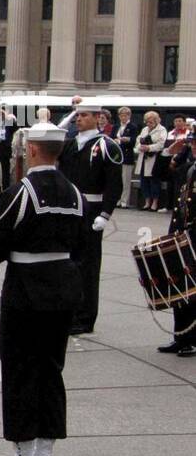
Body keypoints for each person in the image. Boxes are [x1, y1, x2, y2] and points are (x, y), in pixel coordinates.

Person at [0, 121, 85, 456]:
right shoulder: (73, 192)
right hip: (63, 290)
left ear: (33, 150)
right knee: (51, 372)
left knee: (21, 372)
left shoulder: (22, 191)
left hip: (26, 291)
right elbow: (82, 244)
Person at [56, 102, 123, 335]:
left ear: (98, 118)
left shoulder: (107, 146)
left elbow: (115, 185)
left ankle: (85, 317)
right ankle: (70, 311)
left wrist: (105, 214)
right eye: (77, 116)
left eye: (84, 115)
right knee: (69, 263)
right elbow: (50, 143)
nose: (79, 119)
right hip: (70, 210)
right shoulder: (71, 144)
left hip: (92, 210)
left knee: (88, 266)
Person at [158, 130, 196, 357]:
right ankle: (180, 336)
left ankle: (189, 339)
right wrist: (170, 154)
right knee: (180, 285)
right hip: (182, 230)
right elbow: (167, 176)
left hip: (194, 233)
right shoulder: (188, 164)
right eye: (192, 142)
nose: (193, 145)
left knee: (192, 289)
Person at [135, 111, 168, 212]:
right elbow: (138, 141)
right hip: (143, 158)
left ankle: (155, 203)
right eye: (147, 122)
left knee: (154, 181)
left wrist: (149, 147)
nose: (149, 124)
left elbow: (161, 144)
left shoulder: (162, 130)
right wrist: (140, 147)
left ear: (156, 120)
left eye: (151, 122)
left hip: (155, 158)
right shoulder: (144, 129)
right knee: (144, 181)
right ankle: (147, 202)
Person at [115, 106, 139, 209]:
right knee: (117, 180)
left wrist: (127, 140)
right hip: (116, 157)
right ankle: (118, 199)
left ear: (129, 116)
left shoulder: (133, 127)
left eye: (125, 115)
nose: (123, 117)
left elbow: (134, 141)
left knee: (126, 180)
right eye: (121, 115)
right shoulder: (116, 126)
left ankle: (125, 201)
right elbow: (111, 137)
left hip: (127, 156)